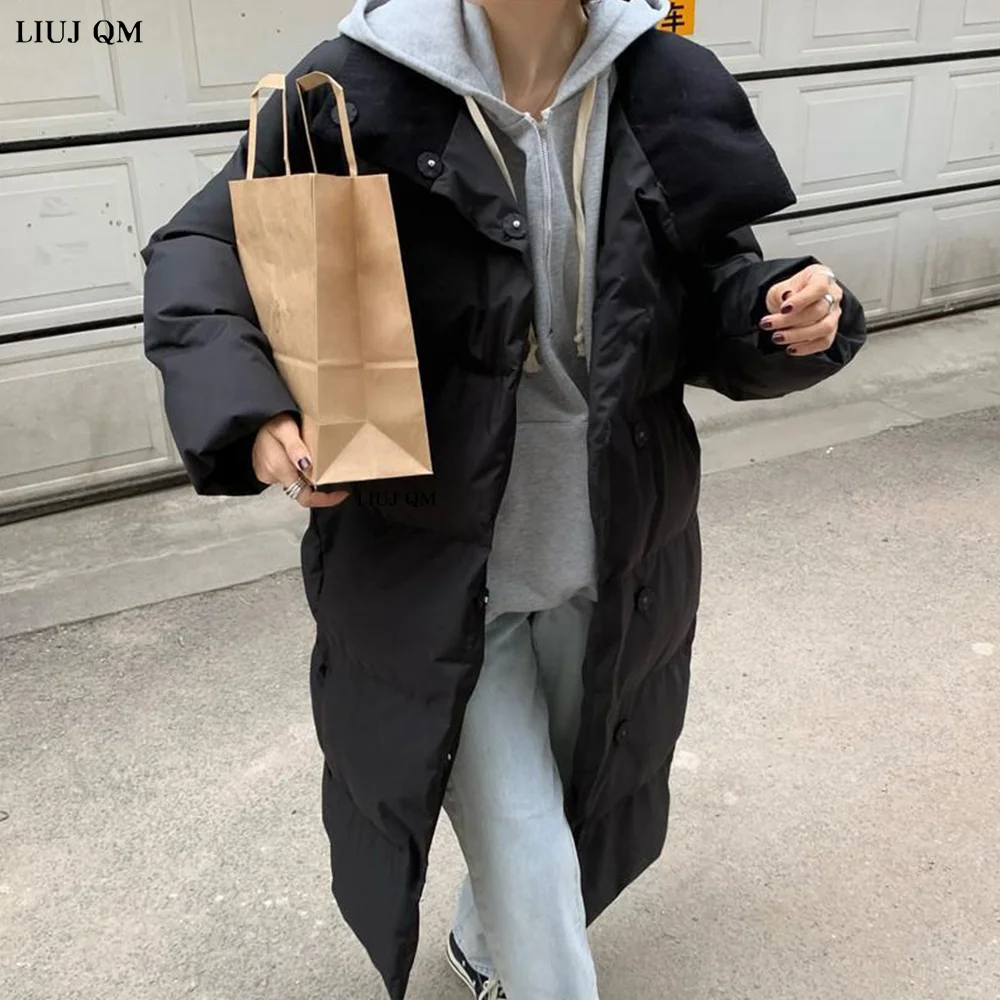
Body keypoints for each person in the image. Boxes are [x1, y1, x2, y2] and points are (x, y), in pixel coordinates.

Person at [141, 1, 867, 998]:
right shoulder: (361, 81)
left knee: (570, 794)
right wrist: (255, 410)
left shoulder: (660, 83)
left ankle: (482, 943)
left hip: (613, 547)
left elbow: (708, 289)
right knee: (525, 838)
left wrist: (781, 312)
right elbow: (202, 249)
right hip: (433, 562)